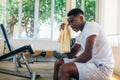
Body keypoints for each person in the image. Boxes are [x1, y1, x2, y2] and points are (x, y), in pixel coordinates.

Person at [53, 8, 114, 80]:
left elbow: (87, 55)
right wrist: (64, 33)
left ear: (81, 18)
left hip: (102, 68)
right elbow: (71, 55)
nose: (71, 25)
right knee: (58, 63)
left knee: (64, 68)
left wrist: (70, 64)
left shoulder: (91, 26)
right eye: (69, 23)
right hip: (91, 64)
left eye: (73, 21)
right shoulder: (80, 35)